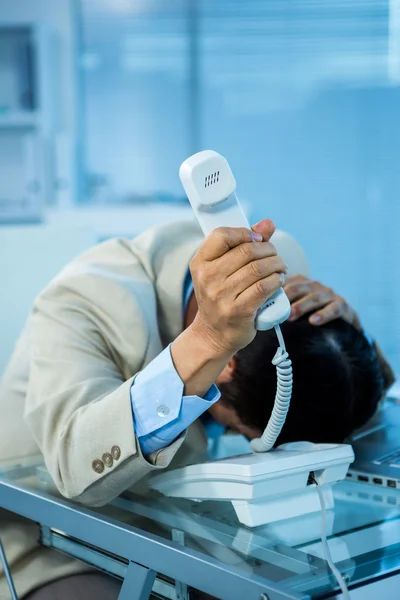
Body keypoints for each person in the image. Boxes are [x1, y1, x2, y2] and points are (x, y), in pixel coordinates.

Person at [0, 219, 394, 599]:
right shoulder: (83, 299)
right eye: (244, 432)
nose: (242, 439)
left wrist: (347, 342)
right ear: (227, 367)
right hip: (46, 534)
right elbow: (75, 466)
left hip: (183, 524)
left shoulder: (279, 276)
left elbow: (331, 411)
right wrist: (206, 342)